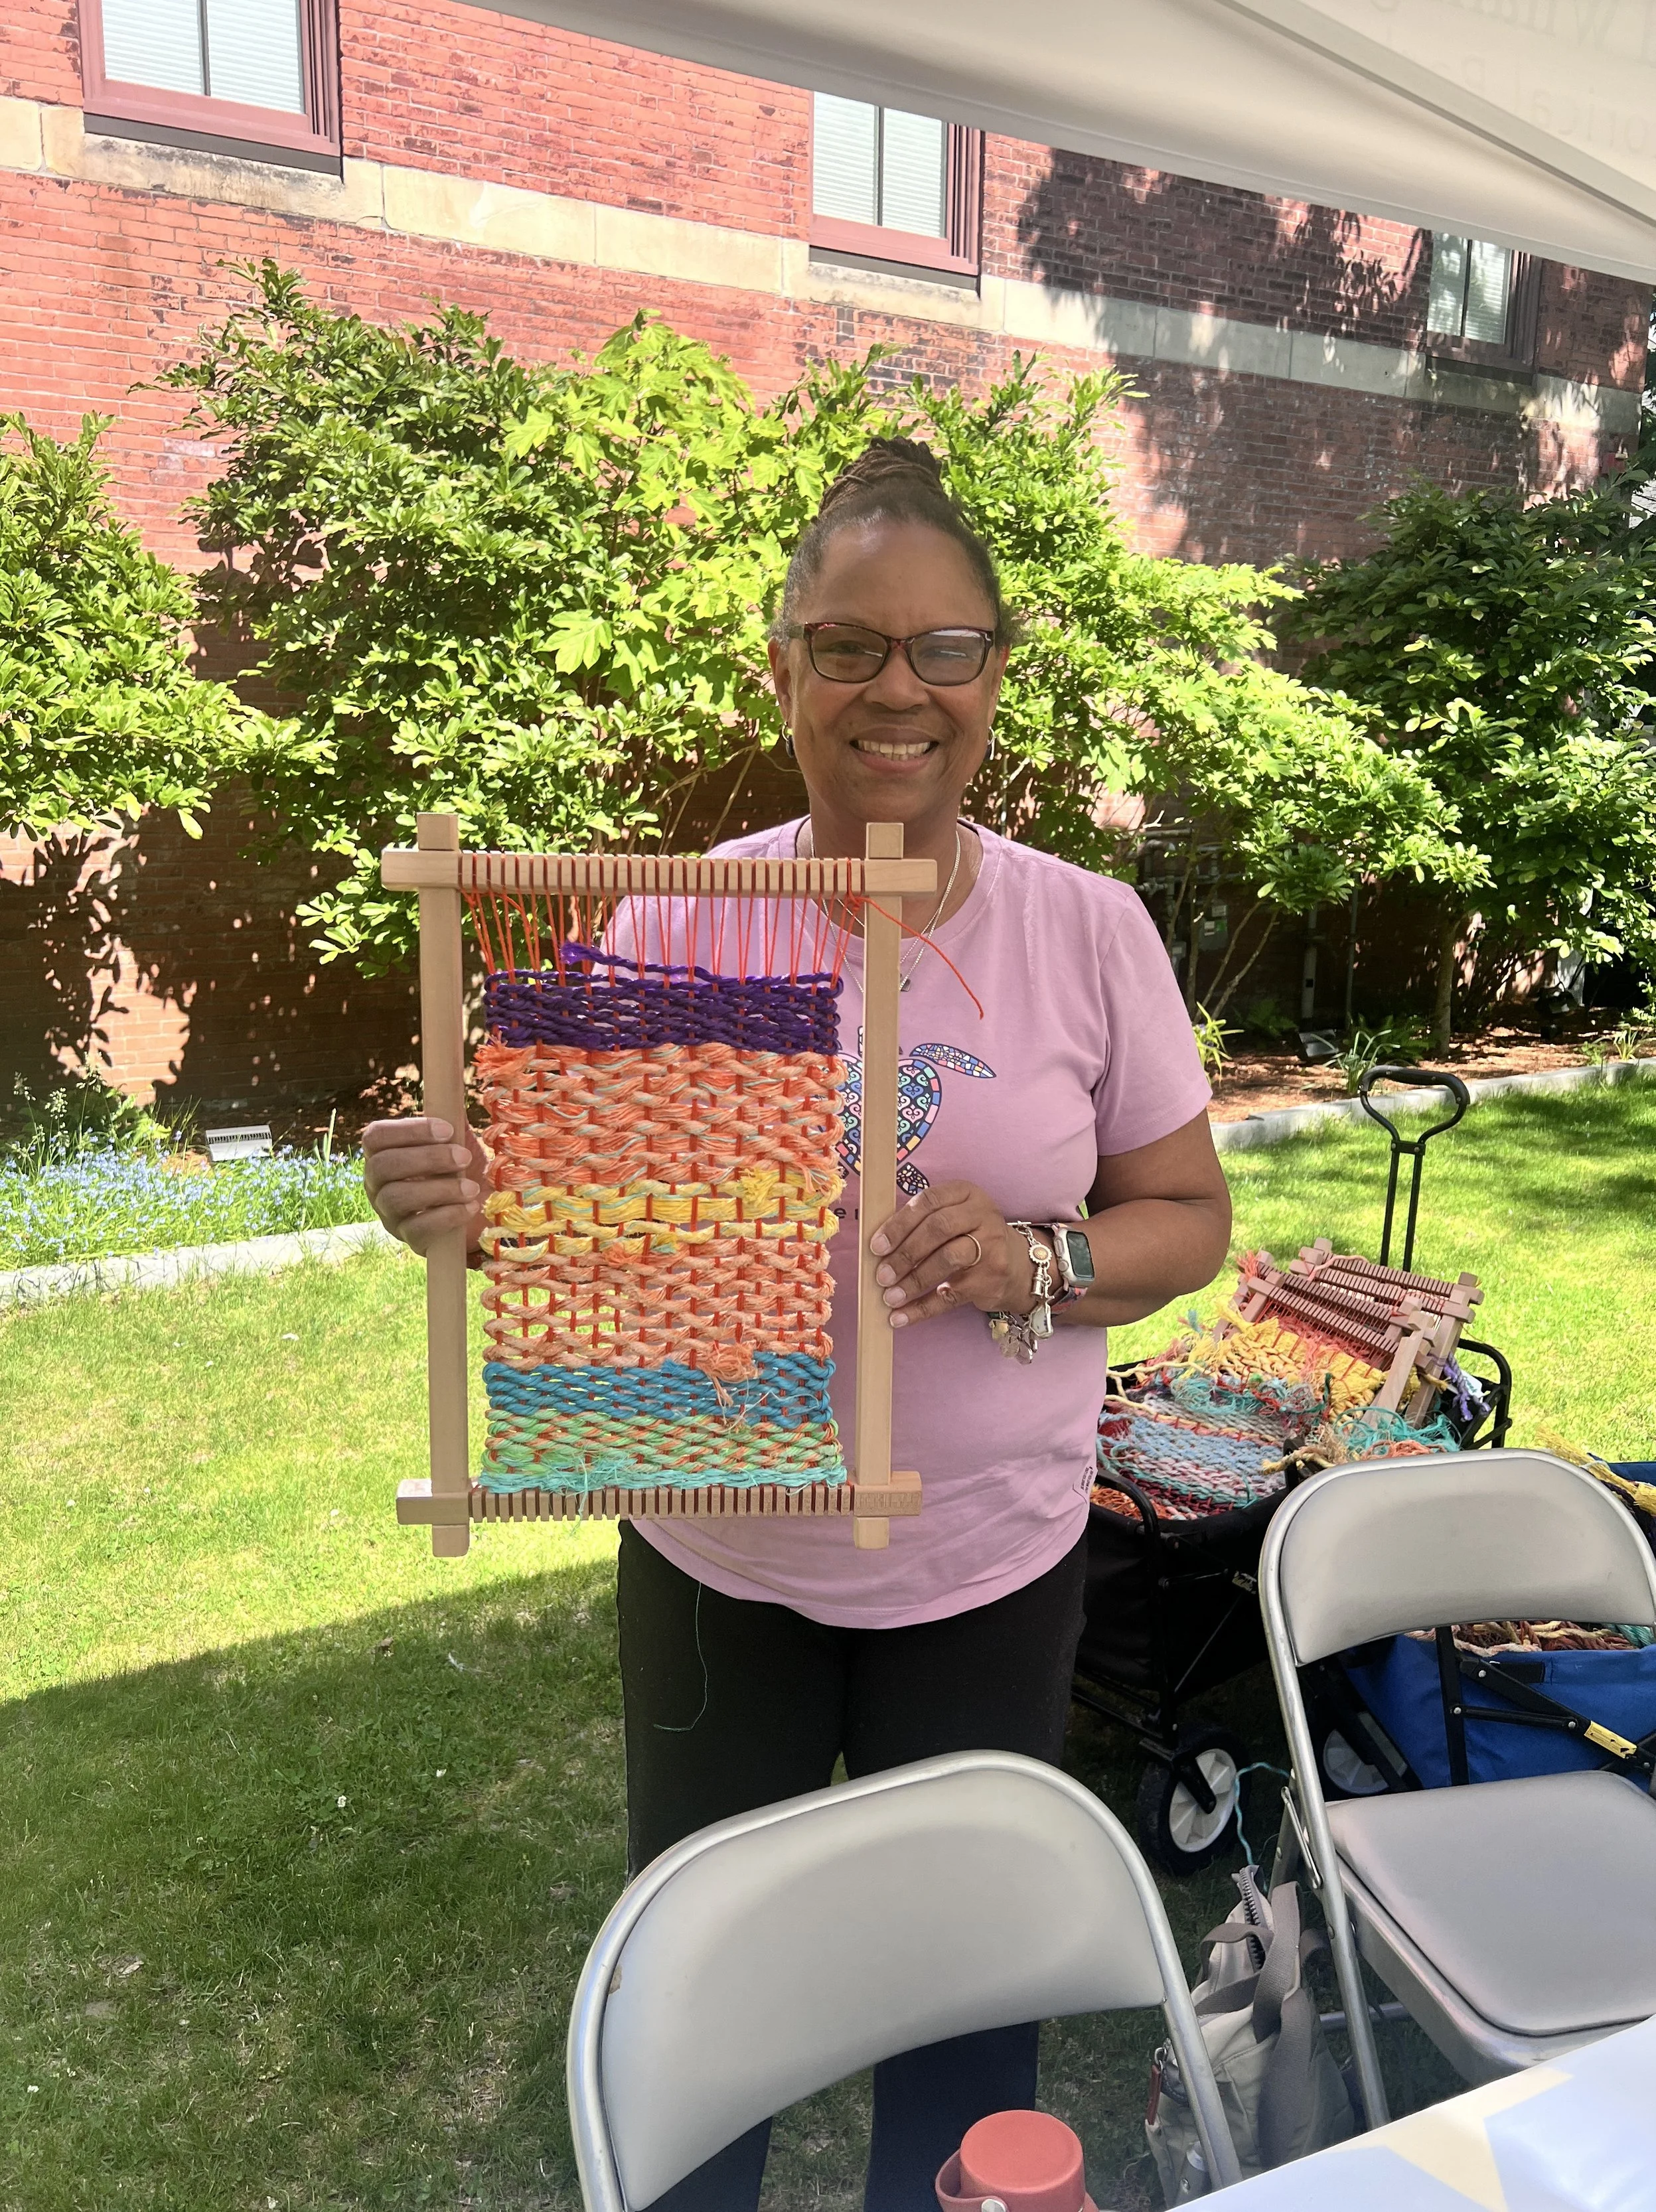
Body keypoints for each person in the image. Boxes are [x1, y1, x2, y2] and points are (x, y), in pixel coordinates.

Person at [363, 439, 1231, 2210]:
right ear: (780, 669)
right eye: (845, 644)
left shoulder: (1089, 931)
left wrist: (1043, 1261)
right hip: (718, 1567)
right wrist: (461, 1202)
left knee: (960, 2022)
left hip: (987, 1575)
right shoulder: (690, 908)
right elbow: (587, 1216)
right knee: (707, 1996)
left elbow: (1190, 1220)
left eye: (944, 647)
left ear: (997, 673)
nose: (896, 688)